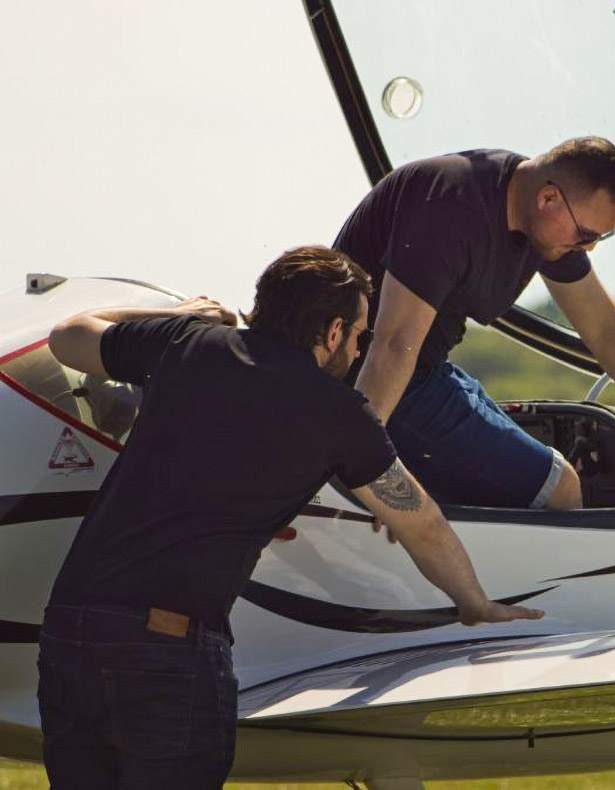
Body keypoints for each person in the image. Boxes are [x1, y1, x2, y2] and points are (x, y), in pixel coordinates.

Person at [37, 247, 542, 790]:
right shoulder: (339, 413)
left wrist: (179, 314)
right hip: (167, 650)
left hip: (69, 632)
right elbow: (422, 524)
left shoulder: (185, 341)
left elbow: (67, 335)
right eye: (359, 335)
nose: (358, 350)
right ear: (332, 332)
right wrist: (474, 602)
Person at [335, 137, 615, 511]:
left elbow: (605, 328)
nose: (588, 248)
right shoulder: (453, 207)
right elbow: (392, 346)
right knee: (560, 488)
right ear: (548, 197)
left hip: (422, 373)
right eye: (584, 235)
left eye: (599, 238)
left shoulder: (535, 217)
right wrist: (366, 464)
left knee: (544, 468)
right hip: (368, 382)